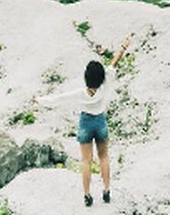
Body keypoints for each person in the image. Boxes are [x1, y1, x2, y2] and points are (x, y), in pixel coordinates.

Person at [35, 35, 131, 207]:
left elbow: (59, 98)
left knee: (86, 161)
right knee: (104, 157)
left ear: (86, 77)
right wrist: (123, 47)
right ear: (101, 77)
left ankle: (87, 195)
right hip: (100, 121)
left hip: (85, 123)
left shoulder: (80, 93)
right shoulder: (106, 83)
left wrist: (40, 100)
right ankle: (107, 190)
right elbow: (114, 63)